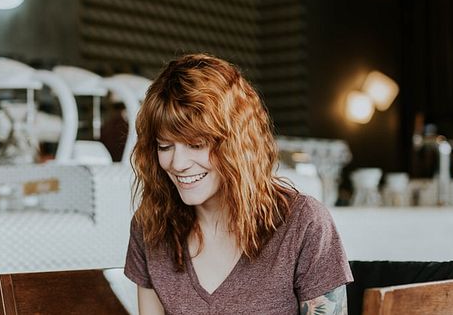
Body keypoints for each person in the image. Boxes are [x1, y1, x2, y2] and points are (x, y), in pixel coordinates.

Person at [124, 54, 353, 314]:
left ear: (236, 143)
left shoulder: (304, 224)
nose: (177, 164)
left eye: (196, 145)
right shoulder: (150, 227)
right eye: (164, 146)